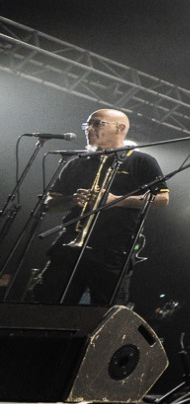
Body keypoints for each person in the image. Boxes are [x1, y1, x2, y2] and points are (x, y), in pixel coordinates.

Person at [29, 108, 168, 306]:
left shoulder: (141, 161)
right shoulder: (77, 162)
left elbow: (162, 199)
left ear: (120, 128)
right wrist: (71, 200)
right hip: (68, 248)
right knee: (46, 304)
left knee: (103, 313)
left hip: (112, 252)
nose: (89, 129)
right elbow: (48, 203)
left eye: (97, 124)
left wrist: (114, 200)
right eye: (88, 125)